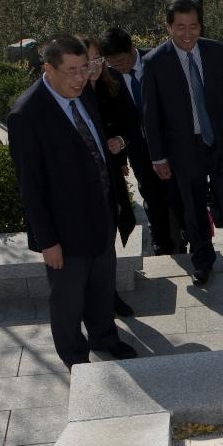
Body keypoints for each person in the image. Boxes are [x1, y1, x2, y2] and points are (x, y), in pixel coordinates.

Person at [7, 34, 137, 369]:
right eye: (71, 71)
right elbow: (31, 187)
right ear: (48, 69)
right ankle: (75, 357)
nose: (80, 77)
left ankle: (105, 338)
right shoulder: (27, 114)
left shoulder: (85, 94)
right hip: (64, 232)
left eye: (85, 68)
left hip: (101, 215)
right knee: (68, 300)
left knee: (101, 287)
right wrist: (48, 241)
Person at [140, 0, 223, 290]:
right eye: (180, 27)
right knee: (193, 212)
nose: (187, 34)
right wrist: (158, 157)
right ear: (169, 26)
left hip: (221, 146)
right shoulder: (155, 62)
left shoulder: (219, 53)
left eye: (193, 26)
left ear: (200, 25)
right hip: (184, 151)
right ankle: (202, 263)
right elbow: (151, 114)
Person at [100, 27, 185, 257]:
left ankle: (189, 243)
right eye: (112, 63)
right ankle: (162, 248)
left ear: (132, 49)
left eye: (122, 61)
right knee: (153, 200)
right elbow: (112, 121)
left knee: (179, 198)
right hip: (140, 152)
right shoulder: (108, 78)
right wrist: (120, 153)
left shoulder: (158, 62)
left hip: (172, 148)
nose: (119, 67)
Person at [80, 33, 137, 318]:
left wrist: (121, 142)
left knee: (108, 239)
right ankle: (97, 300)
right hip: (82, 184)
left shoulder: (112, 82)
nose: (95, 66)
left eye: (98, 60)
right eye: (88, 61)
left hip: (109, 176)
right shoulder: (71, 92)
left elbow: (131, 122)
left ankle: (110, 295)